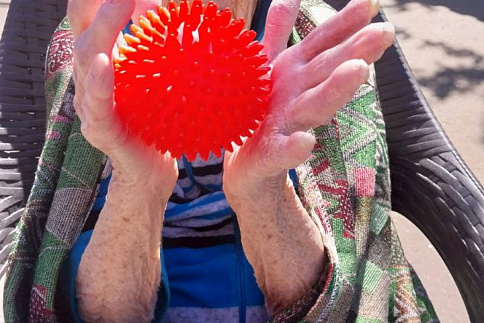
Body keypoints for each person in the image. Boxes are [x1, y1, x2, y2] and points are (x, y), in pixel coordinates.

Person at [3, 0, 438, 322]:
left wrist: (262, 194)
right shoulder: (91, 51)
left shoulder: (319, 49)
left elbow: (351, 292)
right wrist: (139, 187)